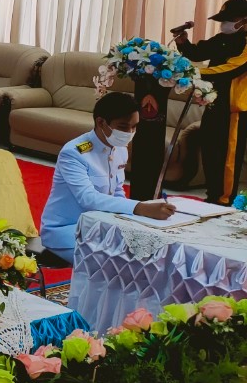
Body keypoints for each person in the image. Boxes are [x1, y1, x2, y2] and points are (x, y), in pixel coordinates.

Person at [39, 91, 177, 261]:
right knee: (121, 261)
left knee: (152, 249)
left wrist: (132, 219)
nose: (130, 132)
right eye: (123, 127)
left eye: (134, 126)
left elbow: (116, 191)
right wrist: (140, 208)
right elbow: (88, 199)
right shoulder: (74, 153)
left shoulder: (120, 149)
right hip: (67, 230)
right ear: (101, 122)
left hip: (101, 226)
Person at [173, 0, 247, 204]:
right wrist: (183, 42)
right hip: (214, 101)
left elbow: (231, 68)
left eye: (230, 19)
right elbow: (198, 53)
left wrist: (195, 73)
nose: (224, 24)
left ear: (244, 19)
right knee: (210, 150)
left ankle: (224, 200)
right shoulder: (222, 38)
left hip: (234, 108)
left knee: (227, 156)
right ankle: (212, 195)